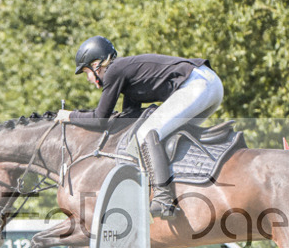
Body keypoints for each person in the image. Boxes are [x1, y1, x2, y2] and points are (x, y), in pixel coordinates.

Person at [55, 36, 223, 218]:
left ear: (97, 65)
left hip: (197, 84)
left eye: (86, 72)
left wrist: (69, 116)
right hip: (209, 83)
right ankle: (187, 187)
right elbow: (128, 116)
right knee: (167, 136)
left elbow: (99, 118)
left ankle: (163, 198)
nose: (88, 79)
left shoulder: (114, 71)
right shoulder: (126, 75)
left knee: (146, 134)